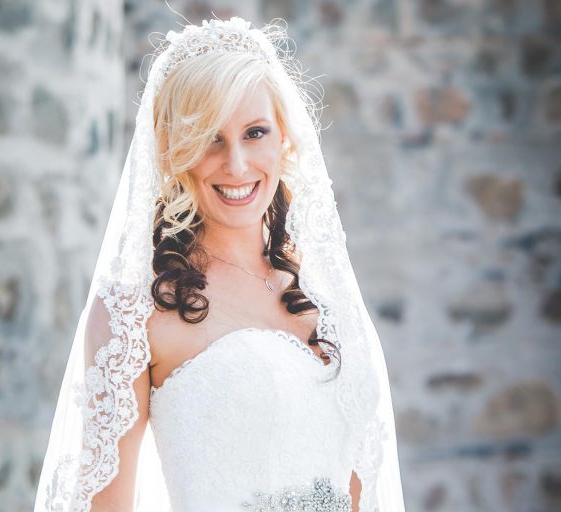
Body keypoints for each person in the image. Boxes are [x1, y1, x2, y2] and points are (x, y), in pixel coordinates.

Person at [34, 16, 405, 512]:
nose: (236, 164)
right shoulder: (133, 314)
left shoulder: (325, 295)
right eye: (209, 137)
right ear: (173, 151)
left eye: (254, 132)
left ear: (283, 138)